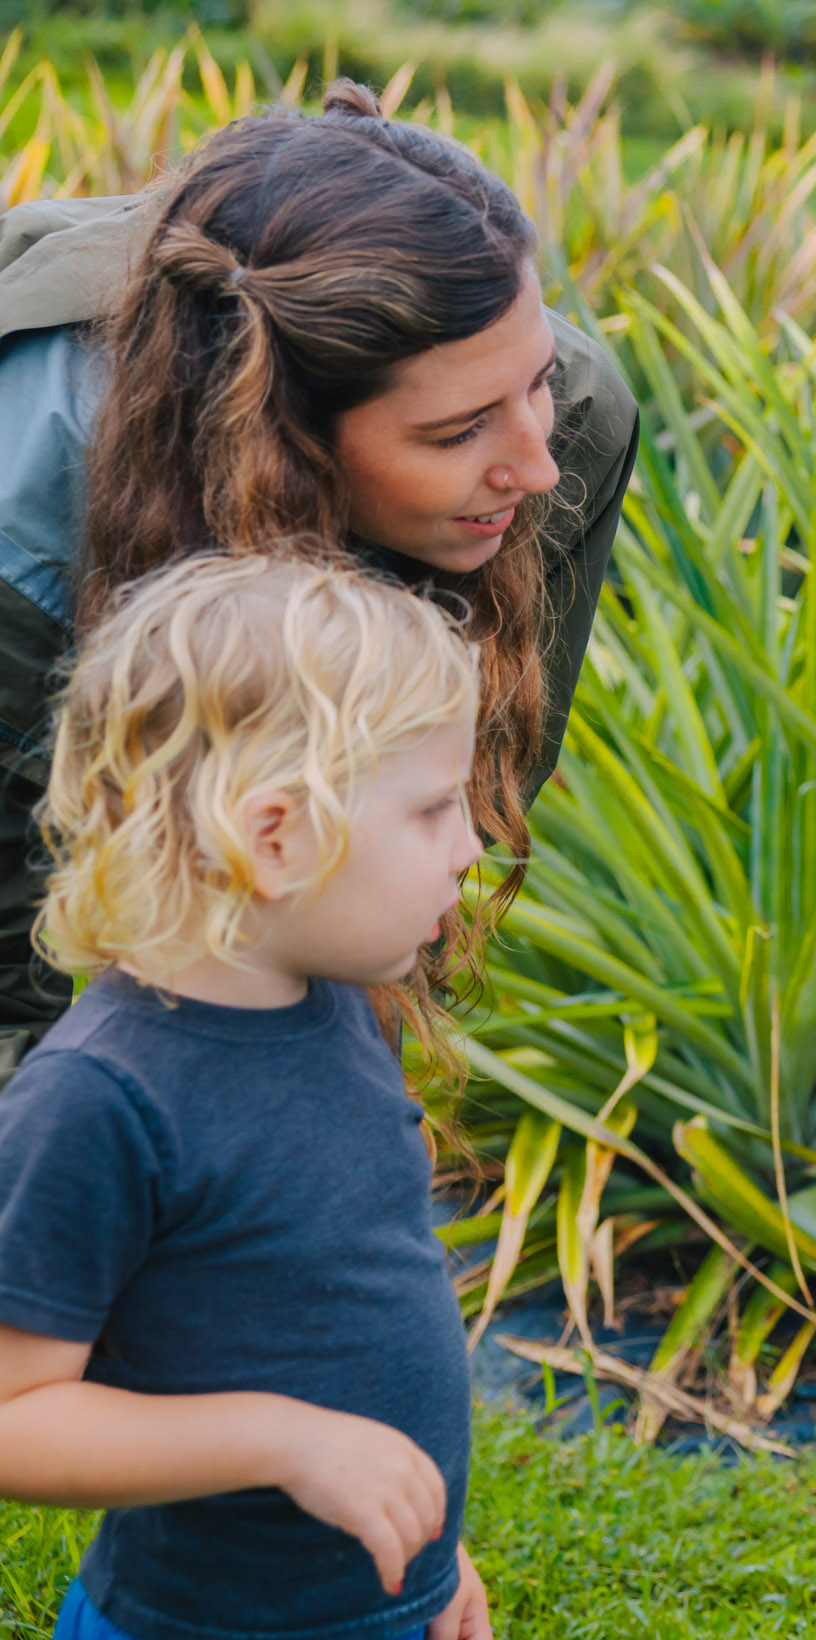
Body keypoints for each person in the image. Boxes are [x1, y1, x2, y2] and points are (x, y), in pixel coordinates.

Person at [0, 80, 639, 1069]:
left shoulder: (570, 412)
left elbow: (416, 831)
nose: (537, 465)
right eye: (457, 432)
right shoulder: (25, 537)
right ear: (284, 437)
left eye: (535, 382)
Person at [0, 555, 493, 1640]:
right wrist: (282, 1440)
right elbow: (13, 1417)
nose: (471, 847)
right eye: (432, 809)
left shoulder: (339, 1009)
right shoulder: (100, 1100)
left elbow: (349, 1308)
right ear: (274, 838)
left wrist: (431, 1539)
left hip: (383, 1597)